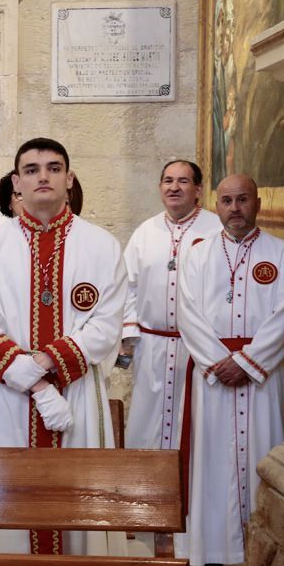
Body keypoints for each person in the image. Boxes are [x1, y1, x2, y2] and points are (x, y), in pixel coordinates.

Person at [0, 137, 125, 566]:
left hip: (77, 400)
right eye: (31, 169)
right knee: (7, 502)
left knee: (79, 501)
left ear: (69, 179)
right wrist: (29, 377)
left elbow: (107, 323)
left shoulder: (101, 244)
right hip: (7, 400)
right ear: (15, 182)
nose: (43, 177)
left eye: (54, 168)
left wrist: (45, 364)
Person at [177, 173, 284, 566]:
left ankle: (264, 558)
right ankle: (209, 553)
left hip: (262, 376)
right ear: (216, 205)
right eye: (226, 201)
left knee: (264, 453)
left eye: (243, 200)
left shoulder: (282, 253)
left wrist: (246, 362)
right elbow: (186, 312)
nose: (235, 209)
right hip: (212, 376)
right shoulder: (197, 253)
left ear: (257, 203)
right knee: (211, 461)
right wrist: (215, 361)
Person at [122, 160, 220, 452]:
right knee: (147, 417)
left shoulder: (216, 229)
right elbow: (126, 284)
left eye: (183, 181)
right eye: (167, 181)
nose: (174, 187)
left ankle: (191, 489)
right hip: (151, 345)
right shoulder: (145, 231)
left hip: (198, 349)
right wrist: (129, 331)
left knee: (193, 420)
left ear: (198, 189)